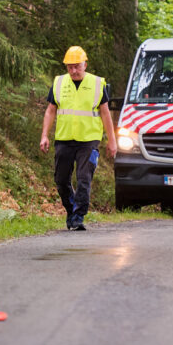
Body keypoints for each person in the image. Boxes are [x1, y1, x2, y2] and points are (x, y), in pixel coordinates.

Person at [40, 46, 117, 231]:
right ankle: (71, 210)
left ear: (85, 64)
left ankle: (79, 216)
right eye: (70, 67)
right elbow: (51, 110)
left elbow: (105, 114)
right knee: (60, 179)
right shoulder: (59, 82)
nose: (73, 71)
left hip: (88, 140)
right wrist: (44, 135)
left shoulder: (98, 84)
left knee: (84, 179)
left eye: (77, 66)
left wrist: (112, 140)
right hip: (64, 139)